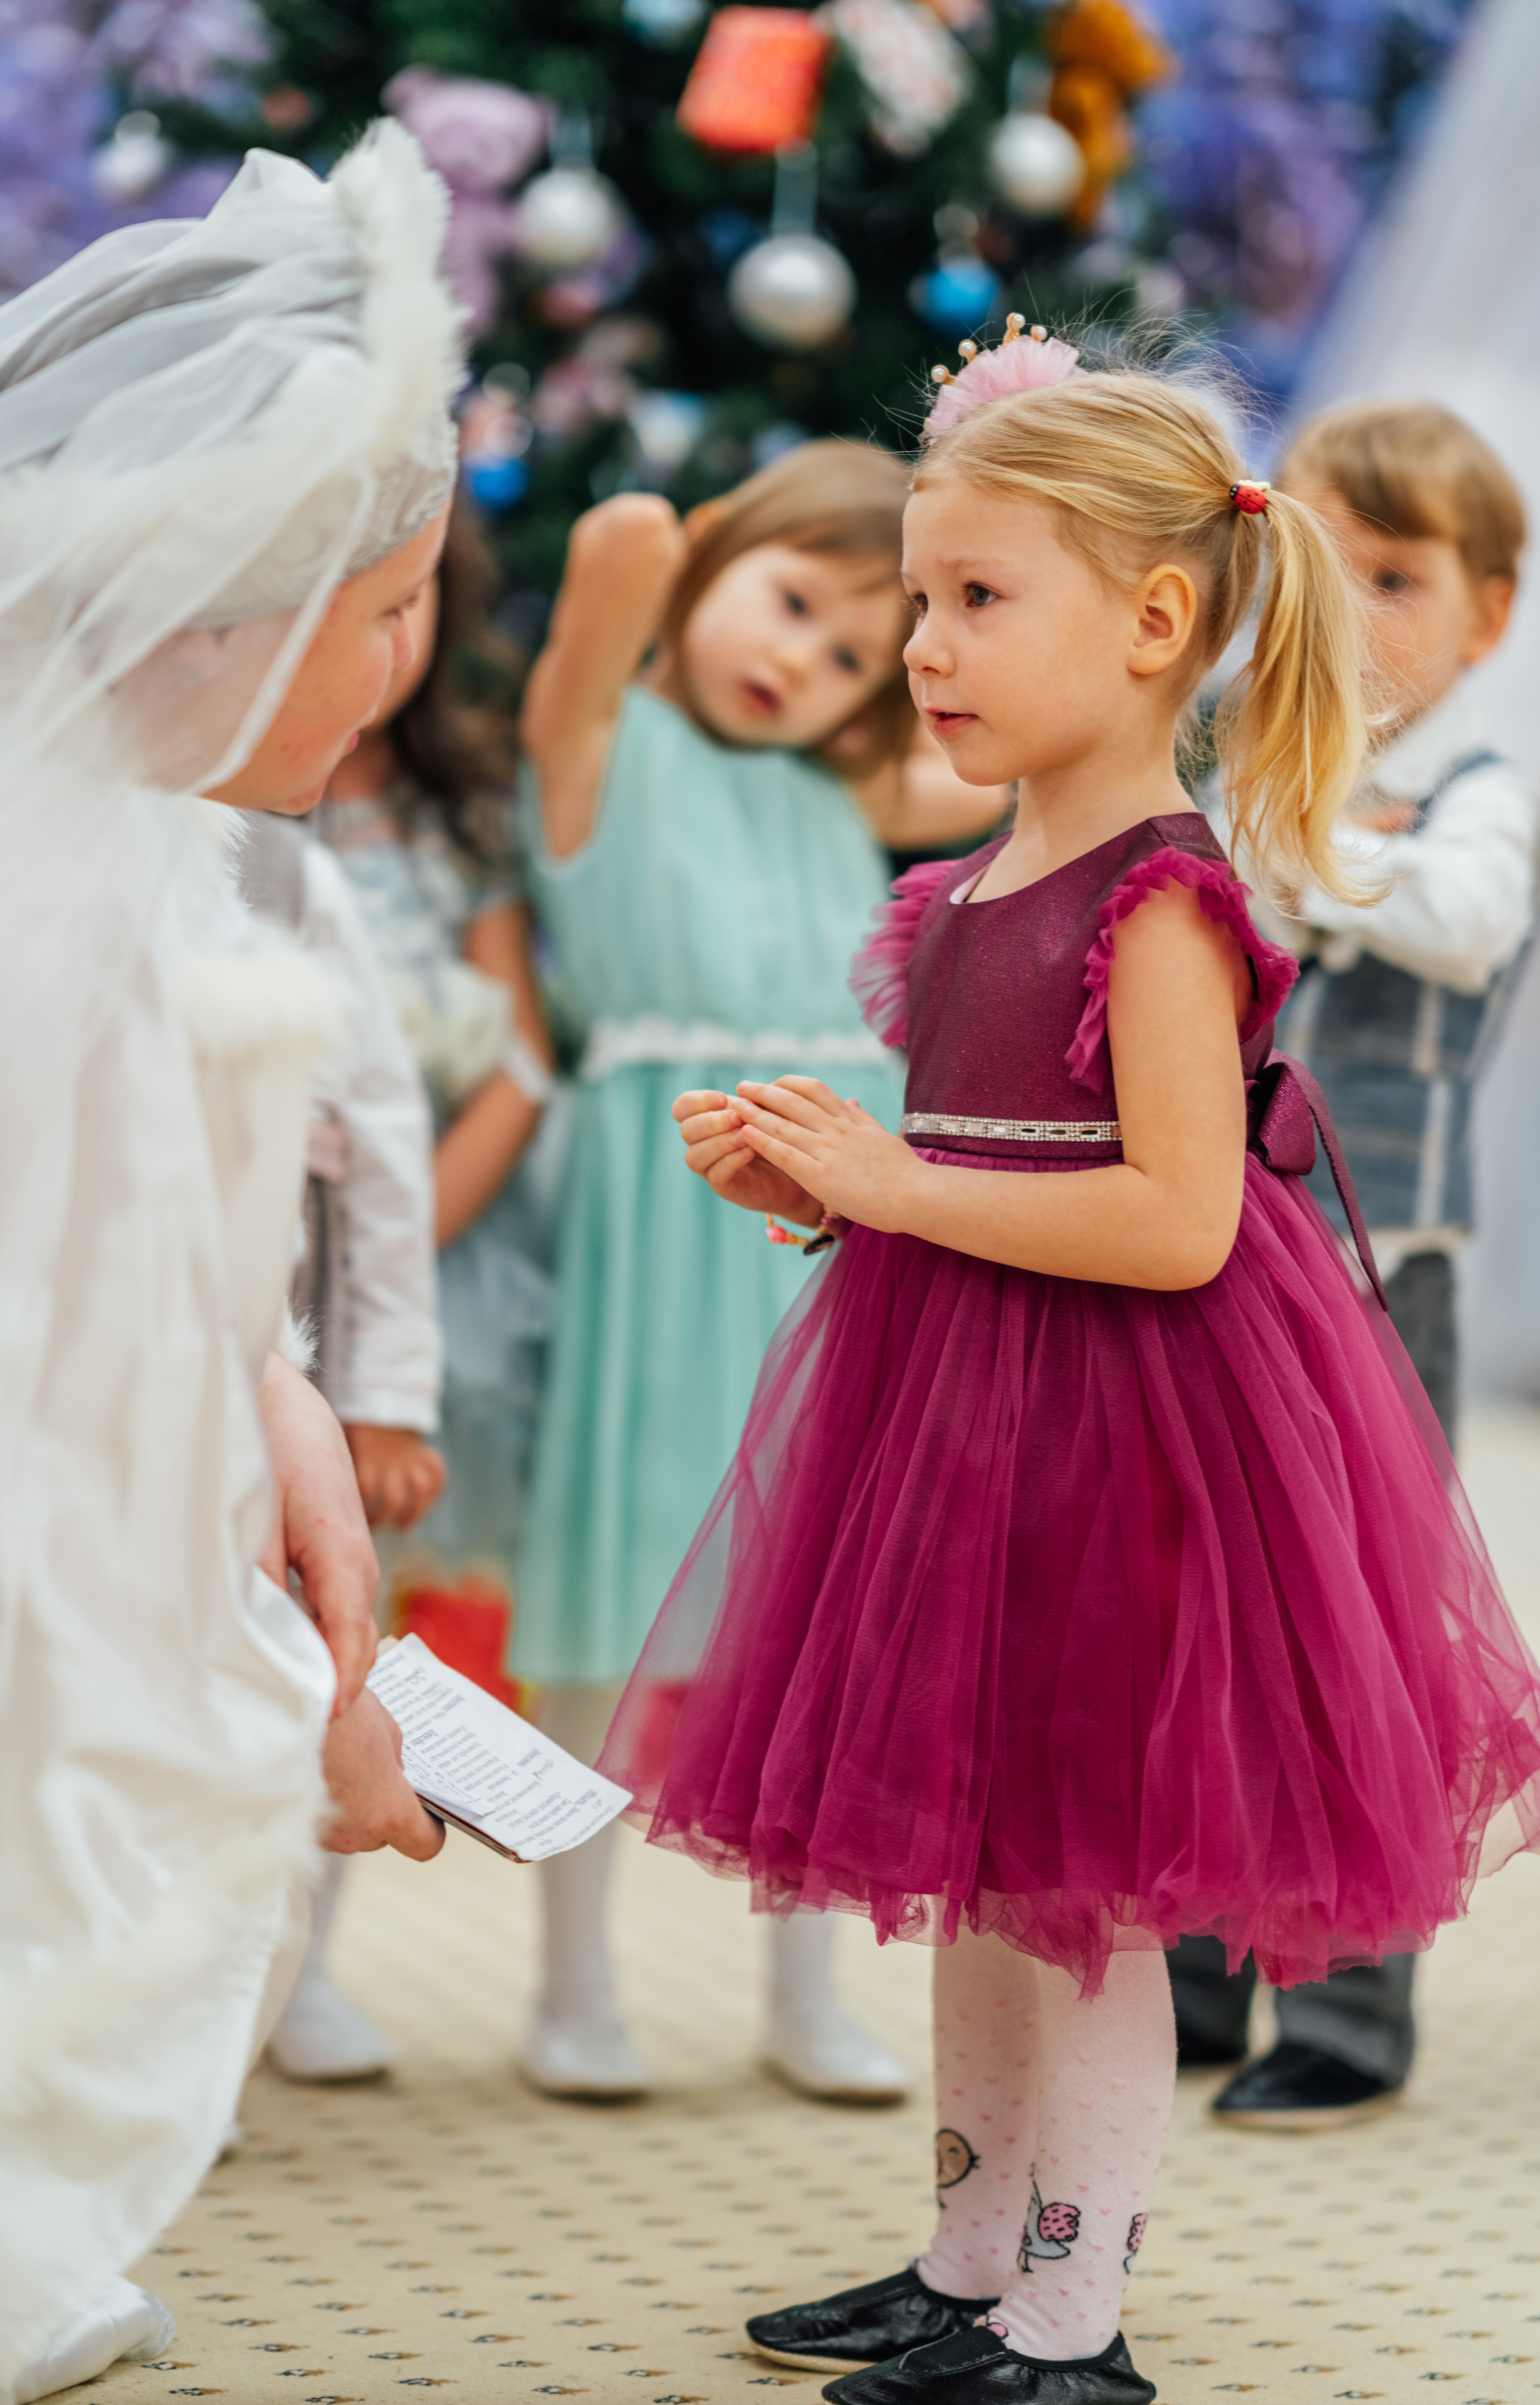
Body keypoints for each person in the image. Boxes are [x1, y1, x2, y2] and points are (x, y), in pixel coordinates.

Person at [597, 328, 1540, 2405]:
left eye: (976, 597)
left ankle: (1069, 2316)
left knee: (1084, 1896)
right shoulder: (964, 891)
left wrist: (900, 1180)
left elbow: (1181, 1219)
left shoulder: (1162, 900)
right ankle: (965, 2261)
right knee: (984, 1878)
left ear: (1155, 621)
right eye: (918, 598)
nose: (923, 646)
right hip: (957, 1420)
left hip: (1123, 1434)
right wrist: (834, 1185)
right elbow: (986, 1164)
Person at [0, 125, 465, 2405]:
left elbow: (165, 1284)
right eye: (383, 607)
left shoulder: (103, 838)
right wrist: (295, 1711)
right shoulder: (23, 903)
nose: (403, 665)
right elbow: (47, 1406)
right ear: (213, 618)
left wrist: (279, 1397)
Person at [514, 444, 933, 2102]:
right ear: (717, 563)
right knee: (611, 1596)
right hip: (659, 1218)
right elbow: (621, 534)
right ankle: (569, 1981)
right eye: (790, 600)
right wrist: (718, 553)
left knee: (819, 1605)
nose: (802, 659)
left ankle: (805, 1986)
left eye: (850, 652)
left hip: (824, 1230)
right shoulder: (599, 744)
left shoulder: (843, 796)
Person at [1174, 398, 1537, 2129]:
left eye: (1396, 578)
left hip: (1385, 1270)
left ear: (1487, 614)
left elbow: (1459, 921)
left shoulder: (1482, 798)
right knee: (1188, 1601)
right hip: (1203, 1247)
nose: (1357, 612)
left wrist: (1294, 842)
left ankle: (1344, 2002)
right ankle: (1188, 1964)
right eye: (1323, 571)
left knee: (1357, 1626)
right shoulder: (1217, 759)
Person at [236, 807, 450, 2086]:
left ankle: (291, 1969)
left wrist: (384, 1393)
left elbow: (383, 1142)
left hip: (281, 1322)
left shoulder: (289, 871)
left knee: (322, 1642)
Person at [314, 496, 557, 1590]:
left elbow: (521, 1060)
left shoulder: (462, 809)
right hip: (275, 1241)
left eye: (408, 603)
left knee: (427, 1577)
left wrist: (396, 1247)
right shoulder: (228, 809)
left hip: (447, 1230)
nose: (388, 639)